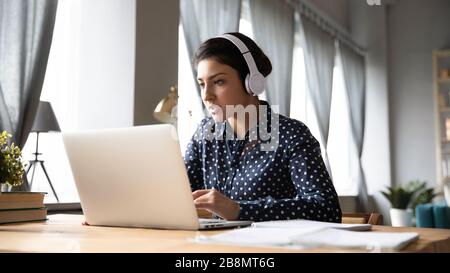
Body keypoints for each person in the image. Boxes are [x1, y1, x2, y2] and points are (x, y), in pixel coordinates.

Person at [184, 32, 341, 223]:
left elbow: (327, 209)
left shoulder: (291, 134)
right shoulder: (205, 133)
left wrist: (238, 210)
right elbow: (178, 191)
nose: (207, 95)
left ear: (252, 82)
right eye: (202, 84)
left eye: (218, 81)